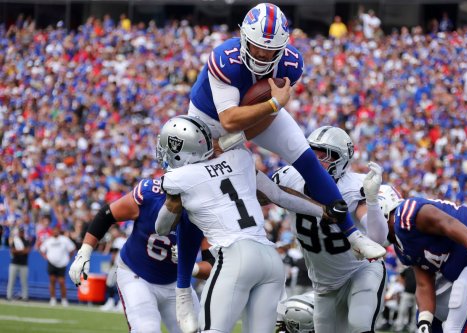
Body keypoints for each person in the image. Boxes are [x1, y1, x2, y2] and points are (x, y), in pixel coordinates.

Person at [188, 2, 385, 260]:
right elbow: (229, 120)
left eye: (271, 51)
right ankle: (184, 279)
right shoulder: (225, 58)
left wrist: (238, 135)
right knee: (193, 187)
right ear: (243, 38)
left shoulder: (291, 64)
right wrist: (273, 104)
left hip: (261, 113)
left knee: (307, 160)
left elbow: (265, 118)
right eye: (258, 46)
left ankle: (353, 234)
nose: (262, 56)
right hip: (206, 121)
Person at [155, 115, 347, 333]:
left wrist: (173, 203)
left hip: (235, 255)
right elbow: (278, 195)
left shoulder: (179, 178)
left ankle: (183, 295)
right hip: (270, 260)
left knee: (212, 330)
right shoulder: (238, 158)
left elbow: (161, 229)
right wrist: (323, 211)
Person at [272, 126, 388, 333]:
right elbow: (262, 194)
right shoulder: (289, 177)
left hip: (360, 270)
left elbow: (378, 238)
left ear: (341, 159)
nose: (315, 160)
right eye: (312, 152)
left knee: (359, 325)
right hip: (324, 285)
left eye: (324, 155)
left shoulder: (353, 187)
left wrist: (371, 201)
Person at [69, 177, 210, 333]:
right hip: (136, 274)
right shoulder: (149, 194)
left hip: (176, 283)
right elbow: (107, 214)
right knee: (147, 329)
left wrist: (190, 266)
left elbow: (211, 266)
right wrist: (85, 251)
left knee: (198, 330)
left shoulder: (204, 213)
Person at [379, 185, 467, 332]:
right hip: (455, 269)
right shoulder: (400, 246)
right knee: (429, 322)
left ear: (382, 210)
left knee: (455, 328)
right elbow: (424, 282)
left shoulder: (406, 214)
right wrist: (424, 322)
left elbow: (447, 223)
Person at [40, 225, 76, 306]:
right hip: (51, 263)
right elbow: (42, 249)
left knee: (61, 282)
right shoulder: (48, 240)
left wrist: (68, 258)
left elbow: (72, 249)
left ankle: (64, 299)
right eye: (54, 230)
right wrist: (45, 257)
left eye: (57, 230)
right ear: (52, 231)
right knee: (52, 281)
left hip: (62, 263)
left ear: (59, 231)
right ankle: (53, 299)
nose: (55, 232)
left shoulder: (65, 240)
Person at [6, 226, 31, 301]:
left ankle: (25, 297)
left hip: (24, 264)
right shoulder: (15, 240)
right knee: (11, 281)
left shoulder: (26, 241)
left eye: (22, 232)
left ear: (24, 233)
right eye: (20, 232)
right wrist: (21, 251)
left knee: (24, 282)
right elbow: (12, 251)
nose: (21, 233)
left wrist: (18, 251)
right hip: (14, 263)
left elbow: (27, 251)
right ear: (18, 233)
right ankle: (9, 296)